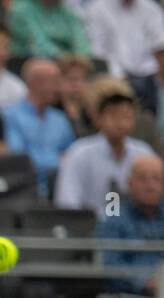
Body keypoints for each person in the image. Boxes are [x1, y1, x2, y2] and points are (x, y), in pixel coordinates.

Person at [55, 80, 152, 211]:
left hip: (133, 229)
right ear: (97, 118)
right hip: (89, 227)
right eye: (113, 116)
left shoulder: (144, 153)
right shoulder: (79, 152)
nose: (121, 122)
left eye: (126, 116)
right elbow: (68, 201)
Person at [1, 58, 77, 197]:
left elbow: (73, 157)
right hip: (25, 191)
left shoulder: (60, 119)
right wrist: (56, 162)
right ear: (35, 83)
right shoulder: (9, 115)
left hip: (60, 189)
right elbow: (19, 159)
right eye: (54, 82)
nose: (58, 88)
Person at [97, 151, 164, 295]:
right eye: (143, 179)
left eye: (157, 179)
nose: (150, 186)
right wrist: (145, 282)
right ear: (129, 183)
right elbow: (110, 264)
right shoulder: (114, 219)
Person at [85, 0, 164, 114]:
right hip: (114, 77)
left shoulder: (151, 9)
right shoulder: (97, 9)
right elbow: (98, 52)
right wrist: (117, 78)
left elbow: (160, 47)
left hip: (149, 76)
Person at [7, 0, 91, 59]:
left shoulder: (66, 10)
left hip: (68, 64)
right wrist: (63, 57)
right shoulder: (20, 9)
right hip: (28, 61)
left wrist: (80, 57)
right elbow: (37, 42)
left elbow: (80, 38)